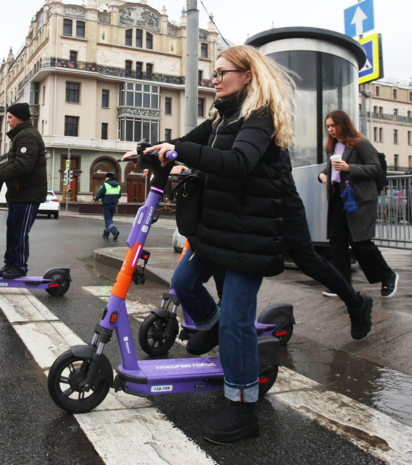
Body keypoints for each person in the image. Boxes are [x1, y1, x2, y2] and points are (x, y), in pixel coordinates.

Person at [123, 45, 294, 444]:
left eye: (221, 73)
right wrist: (148, 153)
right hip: (216, 229)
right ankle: (215, 328)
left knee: (237, 321)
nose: (213, 80)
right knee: (182, 284)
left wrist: (180, 150)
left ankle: (242, 406)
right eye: (212, 74)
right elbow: (186, 141)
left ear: (248, 75)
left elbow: (237, 163)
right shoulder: (221, 114)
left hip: (249, 236)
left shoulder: (259, 116)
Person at [204, 149, 374, 340]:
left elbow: (270, 175)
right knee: (227, 255)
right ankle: (224, 314)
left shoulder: (265, 130)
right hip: (254, 211)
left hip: (283, 210)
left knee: (310, 262)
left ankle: (356, 304)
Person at [319, 110, 398, 298]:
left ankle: (388, 276)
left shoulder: (361, 143)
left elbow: (376, 168)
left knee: (360, 243)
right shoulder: (334, 146)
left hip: (359, 199)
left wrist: (349, 168)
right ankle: (342, 285)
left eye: (333, 125)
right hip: (338, 198)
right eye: (328, 126)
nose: (330, 129)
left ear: (343, 124)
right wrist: (322, 175)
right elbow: (330, 168)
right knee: (337, 243)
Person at [0, 102, 48, 279]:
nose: (7, 121)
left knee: (20, 231)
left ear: (20, 118)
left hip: (28, 194)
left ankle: (19, 266)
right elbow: (13, 163)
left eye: (10, 117)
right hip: (18, 193)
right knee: (13, 229)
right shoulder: (20, 136)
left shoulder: (27, 136)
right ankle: (10, 265)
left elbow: (23, 166)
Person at [93, 172, 121, 240]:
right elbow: (119, 195)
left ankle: (114, 231)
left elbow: (100, 193)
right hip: (114, 204)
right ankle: (106, 233)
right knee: (109, 219)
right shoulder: (118, 186)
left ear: (107, 178)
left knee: (107, 219)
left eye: (106, 177)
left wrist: (95, 198)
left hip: (107, 204)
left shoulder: (105, 185)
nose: (105, 179)